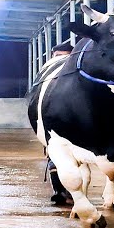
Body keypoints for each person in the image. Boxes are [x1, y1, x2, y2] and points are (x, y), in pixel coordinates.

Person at [46, 42, 74, 205]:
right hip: (55, 126)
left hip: (75, 127)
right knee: (54, 157)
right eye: (57, 57)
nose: (60, 62)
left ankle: (70, 191)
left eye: (65, 57)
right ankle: (59, 191)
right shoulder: (48, 80)